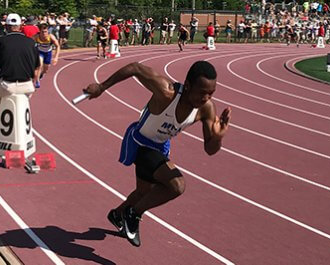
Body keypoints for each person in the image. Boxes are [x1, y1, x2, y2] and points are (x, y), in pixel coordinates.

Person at [82, 61, 231, 247]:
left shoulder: (206, 108)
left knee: (145, 192)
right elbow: (135, 68)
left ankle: (118, 214)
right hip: (140, 142)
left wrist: (218, 137)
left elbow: (210, 150)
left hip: (160, 146)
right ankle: (133, 214)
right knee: (177, 186)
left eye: (211, 93)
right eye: (202, 92)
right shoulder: (166, 92)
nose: (206, 97)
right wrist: (102, 87)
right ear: (188, 85)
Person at [0, 13, 40, 150]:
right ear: (20, 26)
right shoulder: (32, 42)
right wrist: (33, 84)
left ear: (6, 26)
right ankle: (24, 137)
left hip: (8, 85)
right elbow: (37, 68)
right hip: (28, 86)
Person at [33, 23, 60, 88]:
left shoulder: (51, 37)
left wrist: (56, 57)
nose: (44, 33)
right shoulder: (36, 37)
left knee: (46, 69)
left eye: (45, 32)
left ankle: (42, 74)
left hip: (48, 53)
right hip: (40, 52)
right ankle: (37, 81)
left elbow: (58, 46)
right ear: (40, 31)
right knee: (39, 65)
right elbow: (29, 43)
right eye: (42, 32)